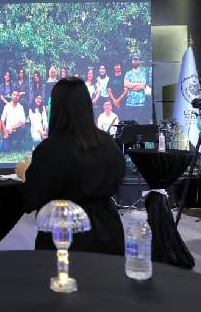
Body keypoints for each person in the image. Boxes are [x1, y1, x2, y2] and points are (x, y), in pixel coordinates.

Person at [16, 77, 125, 255]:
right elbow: (118, 179)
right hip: (108, 234)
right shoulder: (109, 144)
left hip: (65, 238)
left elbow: (31, 199)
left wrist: (25, 175)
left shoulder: (50, 150)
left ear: (56, 108)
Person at [124, 52, 149, 122]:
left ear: (139, 61)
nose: (135, 61)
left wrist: (131, 86)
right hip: (130, 103)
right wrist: (137, 84)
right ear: (132, 61)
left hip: (140, 103)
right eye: (134, 59)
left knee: (140, 123)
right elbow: (126, 85)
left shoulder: (143, 73)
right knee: (130, 124)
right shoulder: (128, 73)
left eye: (137, 59)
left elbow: (142, 86)